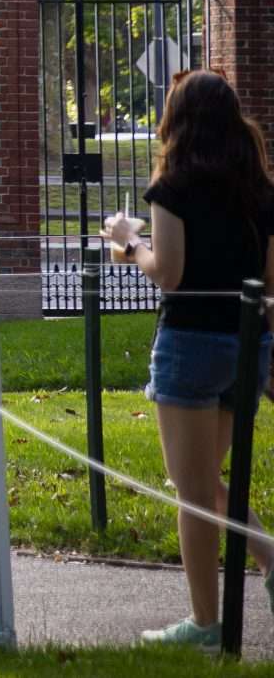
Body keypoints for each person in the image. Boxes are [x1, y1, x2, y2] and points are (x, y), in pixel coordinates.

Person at [104, 69, 274, 647]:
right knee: (206, 479)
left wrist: (129, 243)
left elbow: (169, 276)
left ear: (176, 121)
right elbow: (270, 279)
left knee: (191, 489)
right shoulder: (260, 189)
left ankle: (205, 624)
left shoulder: (172, 185)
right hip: (248, 345)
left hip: (191, 346)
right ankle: (272, 561)